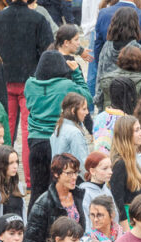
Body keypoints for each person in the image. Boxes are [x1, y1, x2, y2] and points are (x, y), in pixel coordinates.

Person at [0, 0, 54, 188]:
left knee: (5, 130)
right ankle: (29, 180)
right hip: (30, 81)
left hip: (4, 78)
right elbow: (47, 52)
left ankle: (3, 176)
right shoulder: (38, 20)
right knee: (29, 130)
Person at [24, 53, 92, 193]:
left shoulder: (29, 84)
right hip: (56, 138)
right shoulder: (65, 85)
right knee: (56, 189)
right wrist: (76, 73)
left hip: (35, 140)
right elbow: (87, 98)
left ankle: (34, 214)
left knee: (37, 190)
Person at [24, 153, 85, 242]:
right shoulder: (44, 203)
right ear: (57, 174)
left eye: (76, 172)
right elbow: (30, 240)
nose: (74, 177)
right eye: (69, 173)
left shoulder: (77, 195)